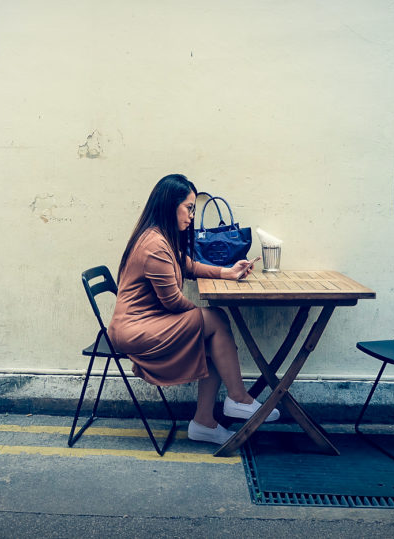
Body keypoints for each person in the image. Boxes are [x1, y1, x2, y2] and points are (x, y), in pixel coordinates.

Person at [108, 174, 279, 446]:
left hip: (147, 323)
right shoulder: (154, 244)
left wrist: (227, 272)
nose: (191, 216)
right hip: (134, 331)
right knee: (214, 321)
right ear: (168, 205)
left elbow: (189, 266)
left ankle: (204, 423)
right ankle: (237, 398)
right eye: (188, 208)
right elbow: (173, 303)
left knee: (212, 333)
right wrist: (202, 320)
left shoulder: (163, 238)